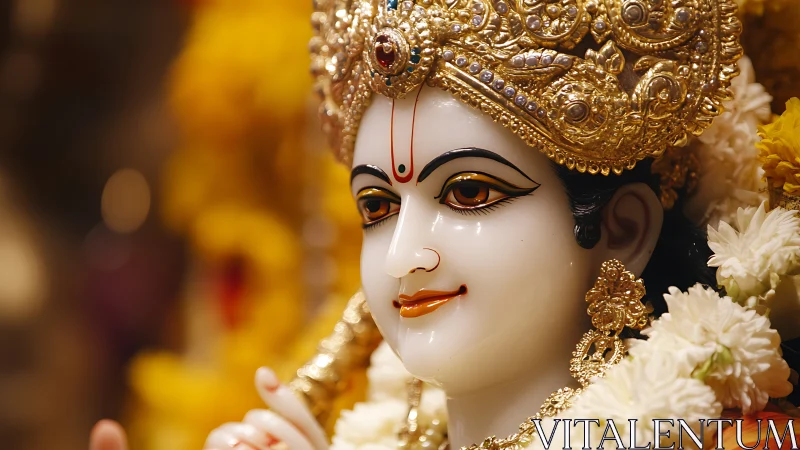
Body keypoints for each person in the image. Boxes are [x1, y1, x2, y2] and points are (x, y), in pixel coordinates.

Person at [92, 0, 800, 448]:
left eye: (466, 194)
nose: (402, 257)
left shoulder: (724, 439)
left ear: (620, 229)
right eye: (377, 207)